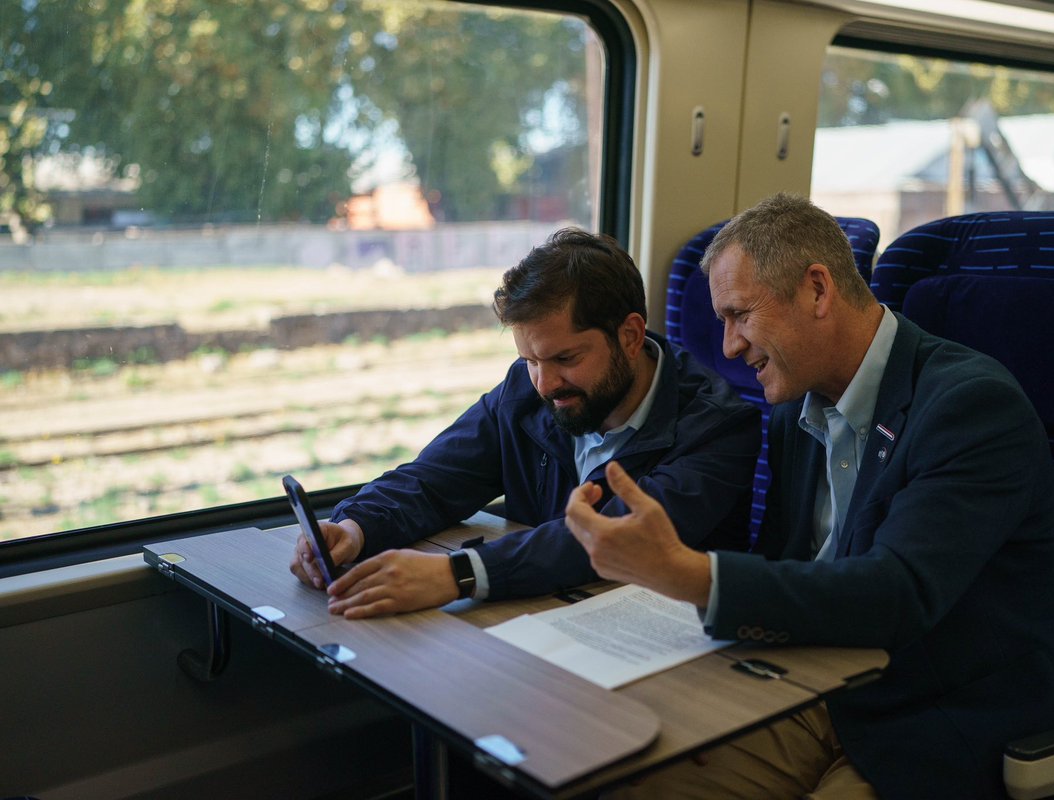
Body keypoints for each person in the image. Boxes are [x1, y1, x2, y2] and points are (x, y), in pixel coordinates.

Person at [565, 194, 1054, 799]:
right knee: (615, 778)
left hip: (948, 712)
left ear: (817, 290)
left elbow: (897, 593)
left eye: (739, 314)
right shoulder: (796, 405)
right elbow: (789, 562)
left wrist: (688, 574)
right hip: (821, 683)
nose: (729, 348)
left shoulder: (971, 406)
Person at [289, 227, 760, 618]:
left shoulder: (718, 430)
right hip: (546, 620)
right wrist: (354, 527)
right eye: (530, 359)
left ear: (631, 336)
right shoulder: (527, 392)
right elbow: (433, 479)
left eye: (565, 357)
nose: (545, 383)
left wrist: (457, 574)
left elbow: (605, 539)